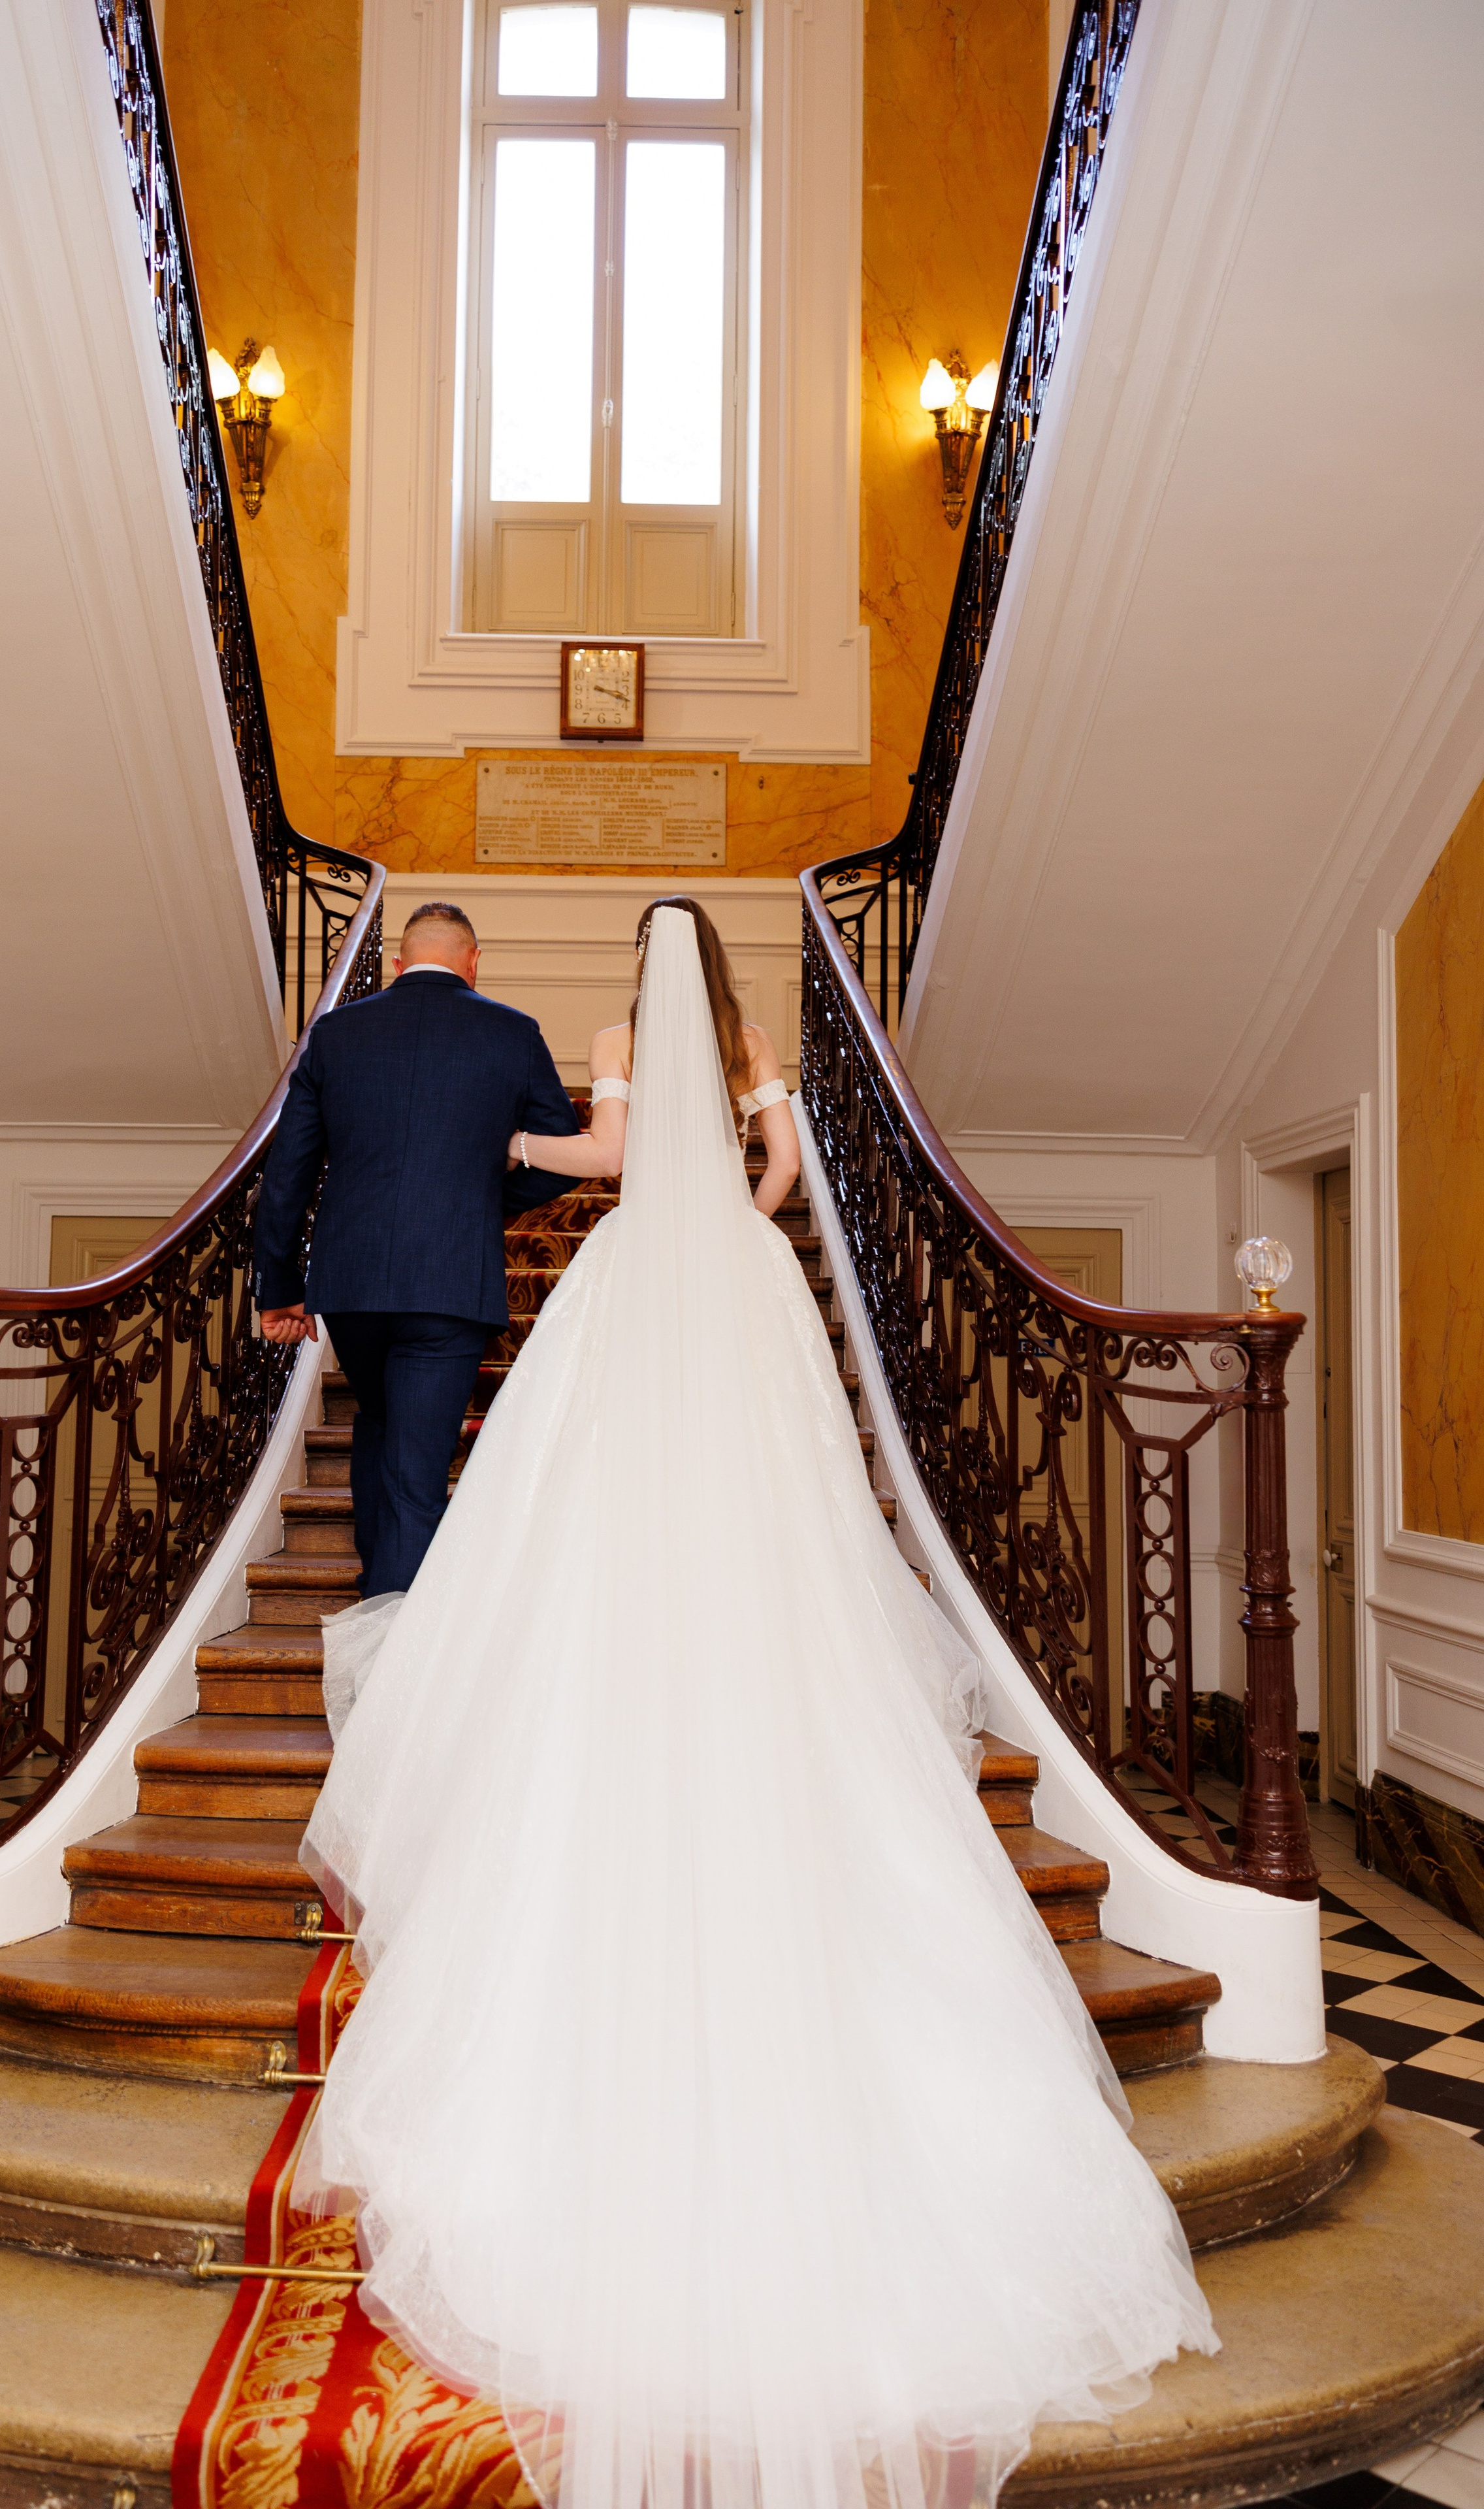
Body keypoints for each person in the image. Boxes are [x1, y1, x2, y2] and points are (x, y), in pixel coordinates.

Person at [296, 898, 1218, 2509]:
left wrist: (523, 1154)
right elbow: (781, 1175)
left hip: (630, 1277)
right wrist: (733, 1211)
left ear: (633, 982)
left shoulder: (608, 1041)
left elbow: (598, 1158)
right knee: (778, 1503)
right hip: (732, 1271)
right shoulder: (754, 1044)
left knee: (576, 1496)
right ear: (716, 972)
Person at [250, 899, 579, 1596]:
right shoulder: (513, 1032)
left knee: (378, 1421)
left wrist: (279, 1287)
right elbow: (563, 1154)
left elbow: (287, 1175)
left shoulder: (335, 1033)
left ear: (398, 964)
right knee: (417, 1470)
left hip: (352, 1280)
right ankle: (393, 1639)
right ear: (473, 961)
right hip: (450, 1278)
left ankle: (380, 1600)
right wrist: (480, 1202)